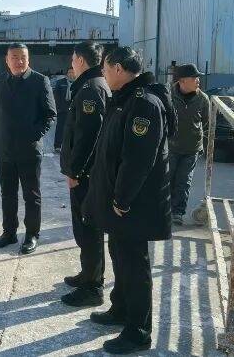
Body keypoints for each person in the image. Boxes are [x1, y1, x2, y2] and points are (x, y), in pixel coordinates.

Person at [83, 47, 176, 355]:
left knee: (134, 266)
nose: (103, 74)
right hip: (119, 203)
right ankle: (120, 309)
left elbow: (137, 160)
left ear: (119, 69)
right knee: (120, 256)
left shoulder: (143, 104)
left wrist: (122, 199)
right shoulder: (124, 98)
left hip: (133, 205)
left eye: (105, 68)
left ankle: (138, 332)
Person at [0, 43, 56, 254]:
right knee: (8, 194)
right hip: (4, 149)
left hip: (29, 150)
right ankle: (9, 233)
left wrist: (33, 135)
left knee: (31, 195)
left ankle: (32, 234)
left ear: (28, 59)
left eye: (23, 57)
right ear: (7, 60)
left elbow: (50, 114)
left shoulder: (39, 81)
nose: (19, 61)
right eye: (14, 57)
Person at [58, 42, 110, 308]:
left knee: (88, 230)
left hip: (86, 176)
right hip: (87, 173)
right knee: (85, 230)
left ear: (79, 59)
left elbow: (88, 137)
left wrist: (76, 171)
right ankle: (88, 274)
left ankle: (92, 288)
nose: (71, 63)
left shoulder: (90, 89)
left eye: (73, 59)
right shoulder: (93, 85)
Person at [168, 63, 211, 225]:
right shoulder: (168, 95)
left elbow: (206, 122)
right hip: (170, 147)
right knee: (167, 179)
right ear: (182, 81)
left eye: (198, 77)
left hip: (192, 148)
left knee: (184, 181)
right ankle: (164, 210)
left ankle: (177, 212)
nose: (198, 80)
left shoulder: (202, 99)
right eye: (194, 78)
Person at [52, 67, 76, 152]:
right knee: (60, 128)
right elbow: (56, 96)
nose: (71, 74)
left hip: (74, 111)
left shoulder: (78, 83)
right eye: (69, 72)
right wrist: (58, 108)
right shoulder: (60, 82)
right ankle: (57, 146)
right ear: (67, 74)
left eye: (73, 72)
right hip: (62, 110)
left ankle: (70, 147)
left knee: (73, 129)